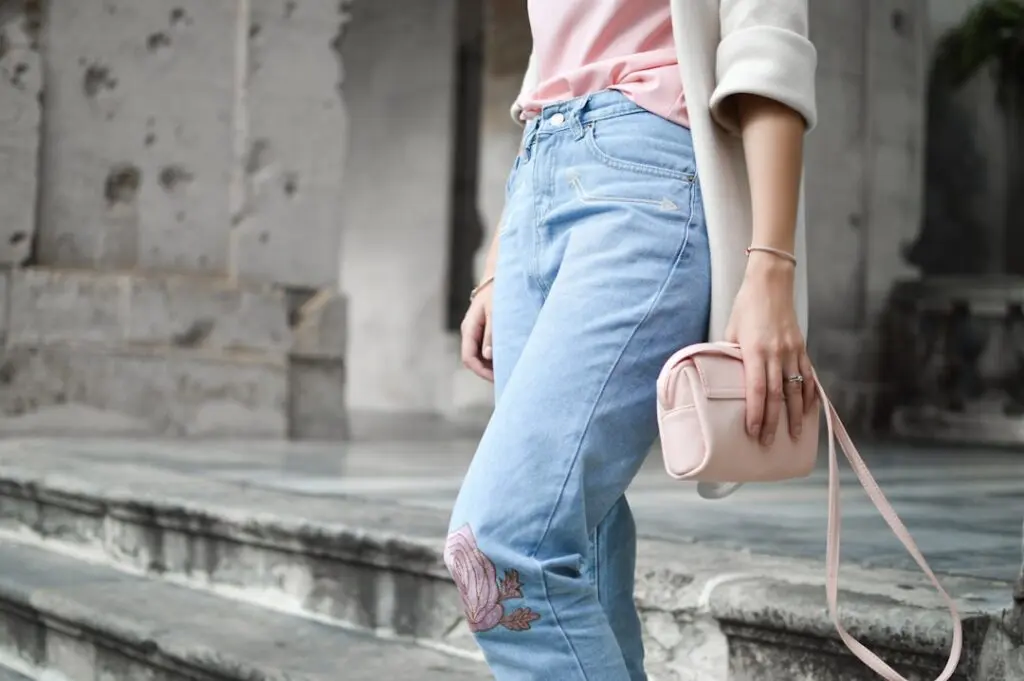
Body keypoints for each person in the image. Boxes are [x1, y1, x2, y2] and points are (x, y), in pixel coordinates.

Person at [444, 1, 818, 679]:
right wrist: (500, 258)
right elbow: (553, 64)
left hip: (647, 178)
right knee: (578, 538)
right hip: (537, 178)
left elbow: (766, 40)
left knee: (500, 545)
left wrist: (771, 266)